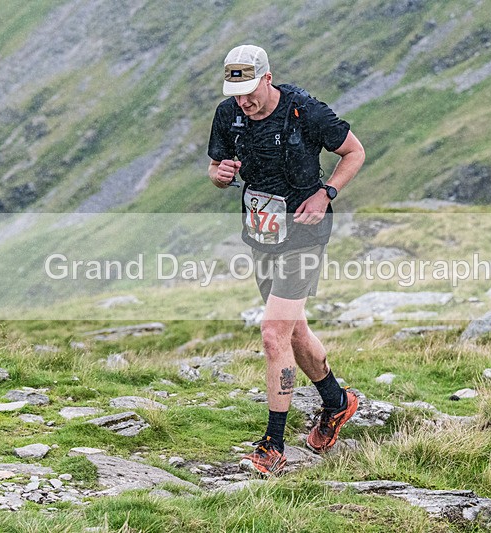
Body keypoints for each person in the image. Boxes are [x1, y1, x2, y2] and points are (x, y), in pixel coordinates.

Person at [207, 44, 365, 476]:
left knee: (273, 332)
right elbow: (218, 167)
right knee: (293, 331)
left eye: (250, 90)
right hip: (261, 232)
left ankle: (272, 445)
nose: (245, 101)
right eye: (236, 92)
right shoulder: (229, 114)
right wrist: (218, 175)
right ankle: (336, 402)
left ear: (268, 78)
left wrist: (326, 192)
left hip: (304, 232)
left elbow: (354, 152)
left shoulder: (305, 110)